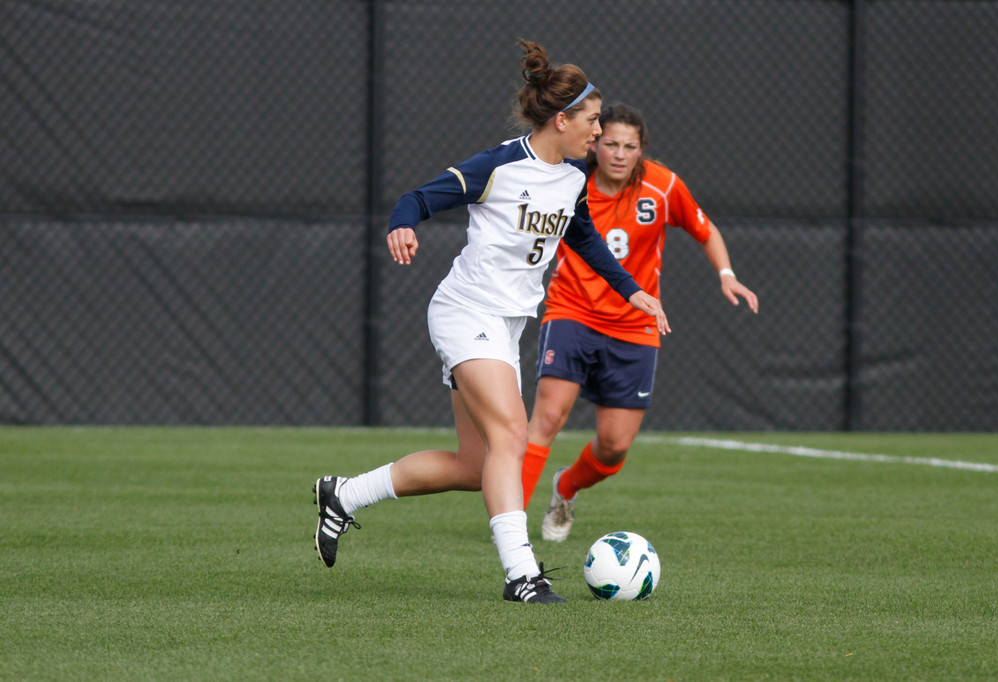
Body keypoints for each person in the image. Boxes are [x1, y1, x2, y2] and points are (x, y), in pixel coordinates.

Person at [313, 43, 670, 603]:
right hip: (464, 311)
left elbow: (583, 240)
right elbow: (418, 198)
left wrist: (632, 292)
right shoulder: (501, 165)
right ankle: (521, 575)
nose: (598, 133)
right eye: (593, 121)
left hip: (505, 325)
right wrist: (402, 225)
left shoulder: (573, 179)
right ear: (562, 120)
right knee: (513, 434)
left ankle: (344, 495)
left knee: (473, 465)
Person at [521, 103, 758, 542]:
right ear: (594, 143)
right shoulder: (569, 181)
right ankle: (510, 525)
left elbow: (705, 230)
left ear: (641, 149)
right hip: (571, 309)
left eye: (629, 146)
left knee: (614, 448)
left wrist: (727, 275)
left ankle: (566, 487)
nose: (618, 153)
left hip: (635, 325)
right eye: (610, 143)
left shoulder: (663, 186)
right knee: (548, 418)